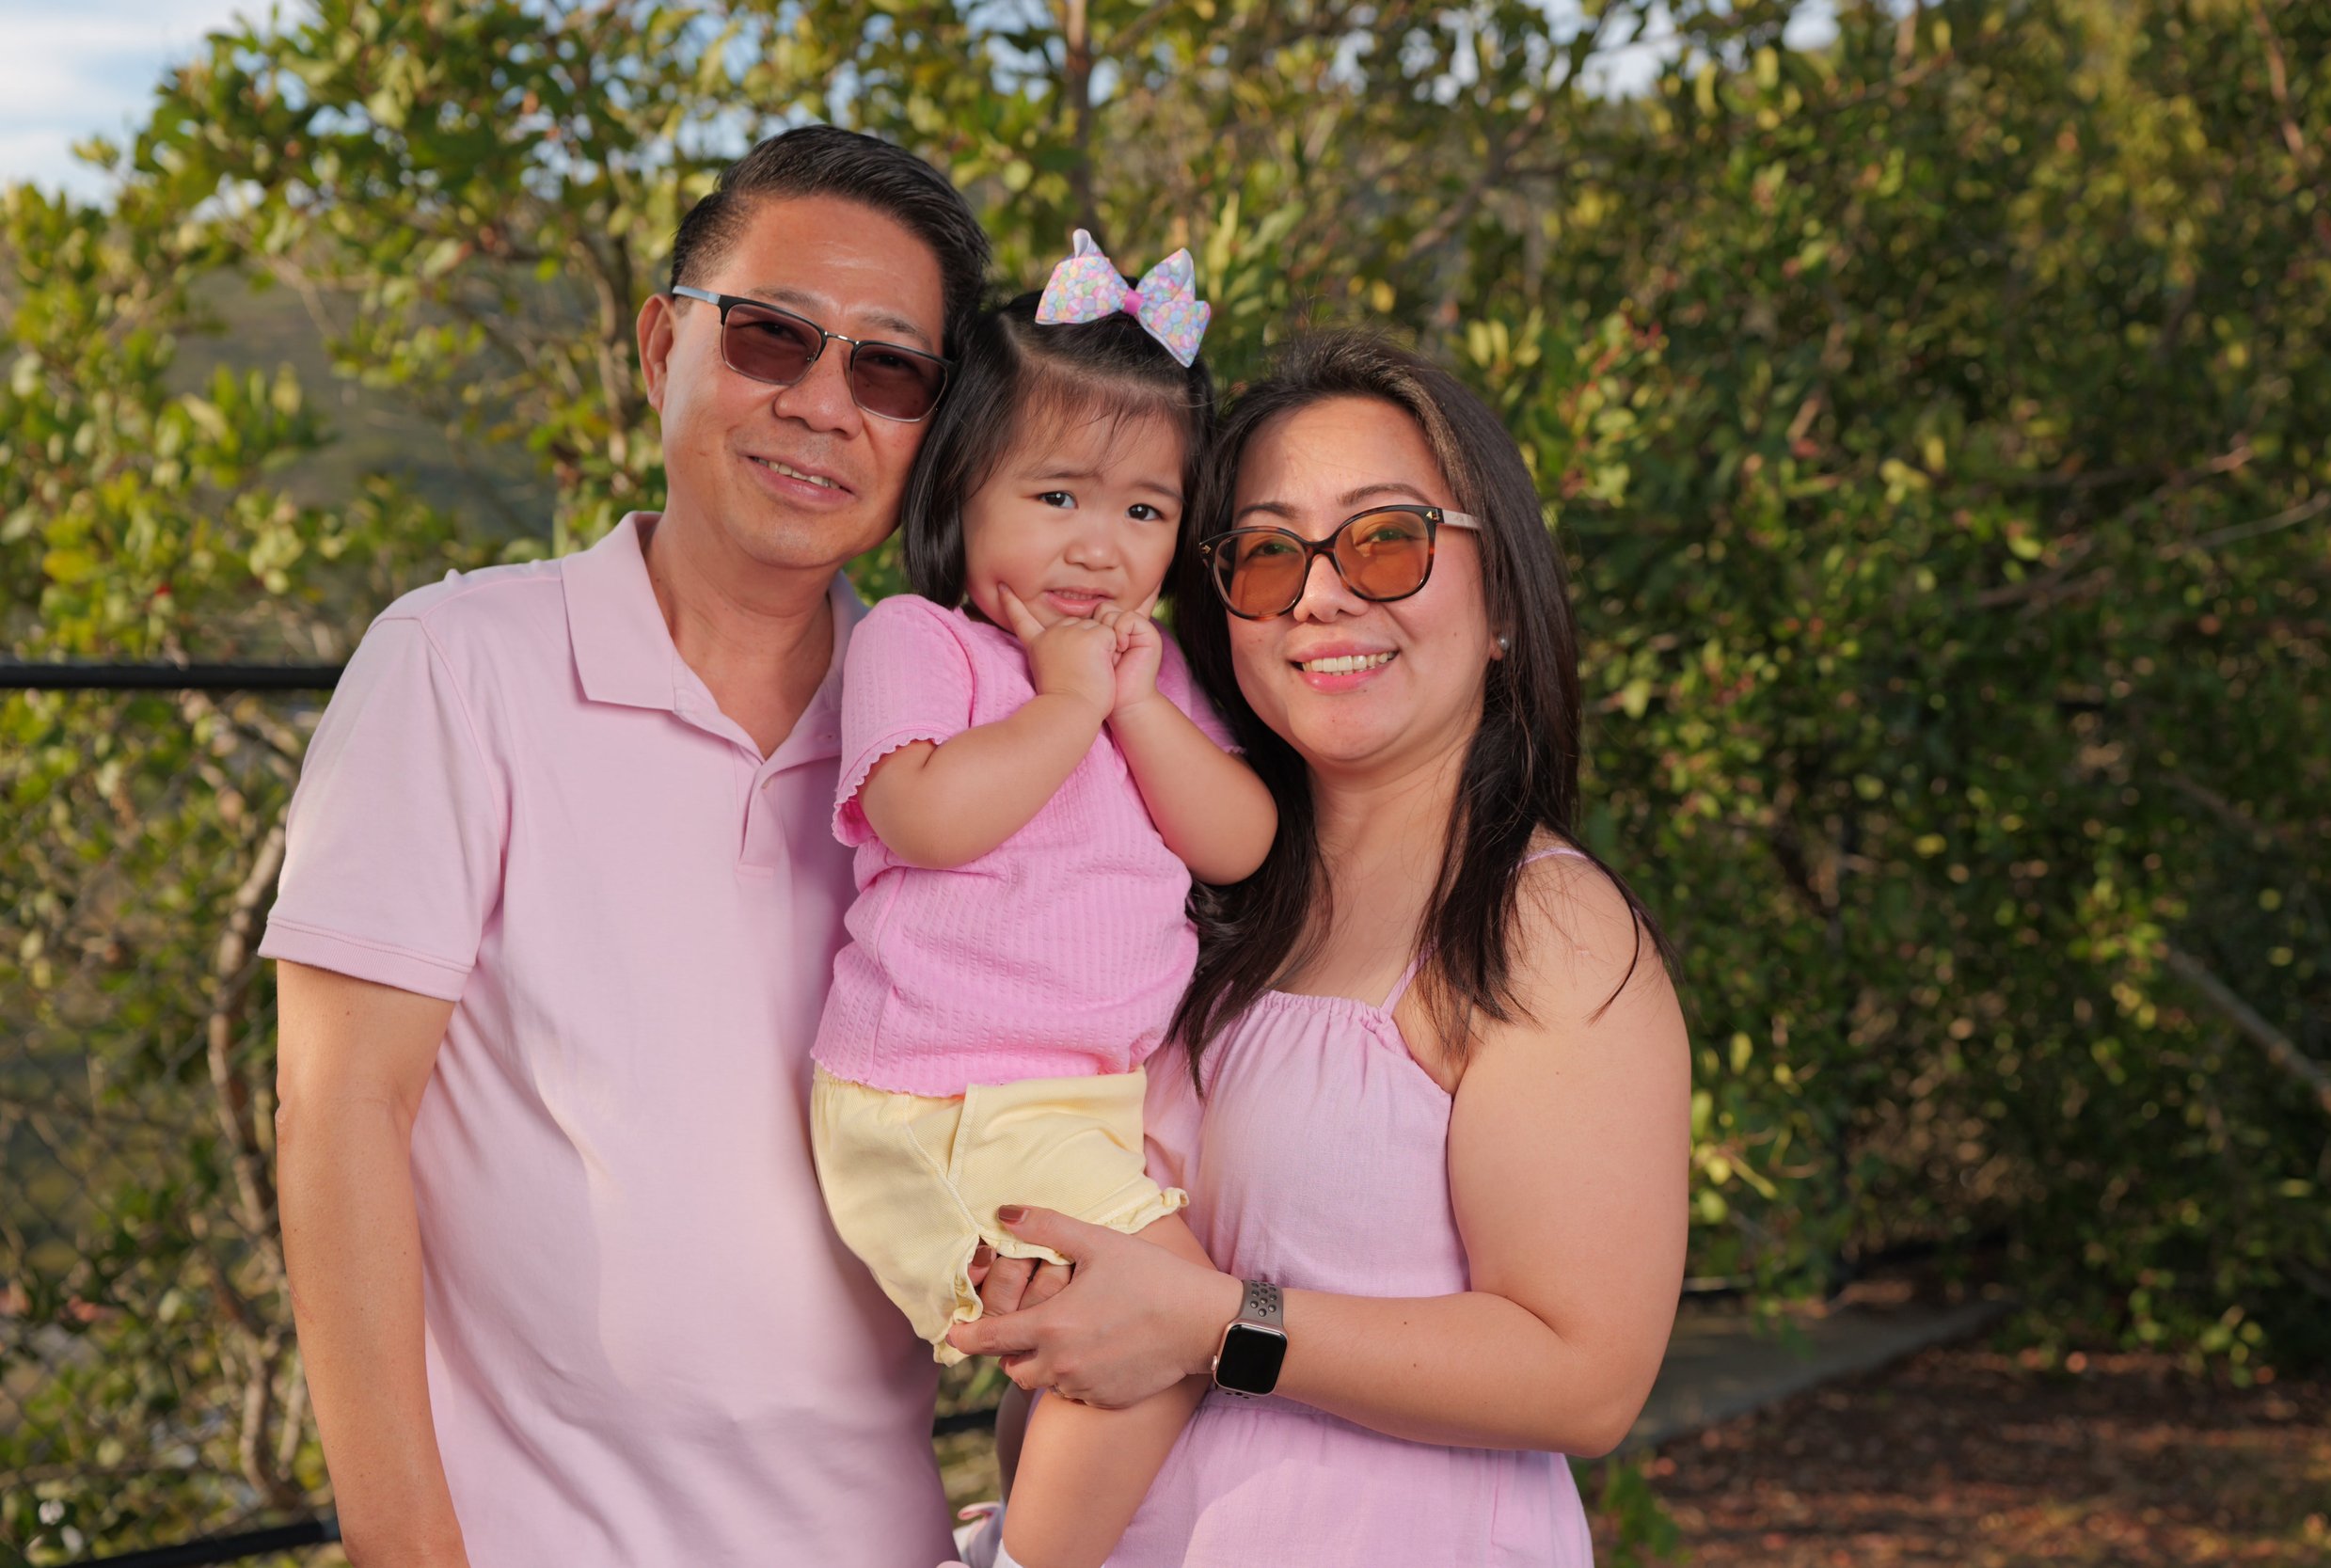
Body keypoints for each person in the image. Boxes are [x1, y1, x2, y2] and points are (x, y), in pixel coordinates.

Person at [262, 127, 991, 1567]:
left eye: (889, 369)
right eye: (773, 338)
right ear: (663, 346)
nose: (822, 406)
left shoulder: (955, 749)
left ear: (935, 429)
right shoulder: (457, 665)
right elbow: (337, 1116)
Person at [947, 332, 1692, 1565]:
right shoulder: (1186, 896)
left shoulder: (1541, 928)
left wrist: (1213, 1326)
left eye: (1386, 539)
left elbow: (1585, 1376)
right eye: (1268, 553)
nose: (1321, 594)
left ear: (1501, 595)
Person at [811, 230, 1276, 1568]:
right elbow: (927, 818)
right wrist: (1068, 702)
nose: (1099, 548)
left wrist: (1130, 706)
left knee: (1090, 1357)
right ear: (965, 493)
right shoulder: (926, 642)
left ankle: (1013, 1532)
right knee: (1177, 1319)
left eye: (1143, 512)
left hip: (1076, 1101)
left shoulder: (1148, 672)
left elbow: (1238, 841)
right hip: (945, 1097)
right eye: (1058, 497)